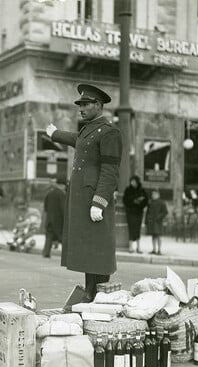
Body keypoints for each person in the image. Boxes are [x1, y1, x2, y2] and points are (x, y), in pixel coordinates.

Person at [46, 83, 122, 301]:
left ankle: (99, 298)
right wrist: (55, 134)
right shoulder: (89, 129)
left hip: (94, 201)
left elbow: (110, 171)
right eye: (80, 104)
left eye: (85, 104)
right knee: (89, 254)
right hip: (84, 201)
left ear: (98, 105)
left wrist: (99, 202)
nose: (81, 108)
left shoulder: (110, 133)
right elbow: (77, 140)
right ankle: (91, 295)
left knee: (98, 253)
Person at [122, 175, 148, 253]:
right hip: (130, 211)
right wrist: (134, 200)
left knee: (138, 229)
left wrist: (140, 203)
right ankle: (131, 247)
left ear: (137, 182)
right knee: (131, 228)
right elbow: (125, 200)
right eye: (131, 181)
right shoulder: (128, 190)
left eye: (134, 181)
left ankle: (138, 247)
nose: (132, 183)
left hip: (139, 212)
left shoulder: (142, 190)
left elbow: (145, 200)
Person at [42, 179, 66, 258]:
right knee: (62, 236)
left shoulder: (49, 193)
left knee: (49, 235)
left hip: (49, 218)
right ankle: (65, 255)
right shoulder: (62, 194)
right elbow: (63, 208)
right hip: (58, 220)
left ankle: (46, 252)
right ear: (62, 185)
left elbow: (45, 207)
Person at [145, 189, 168, 255]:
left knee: (158, 236)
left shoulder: (162, 202)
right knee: (153, 236)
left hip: (158, 222)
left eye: (154, 194)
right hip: (151, 222)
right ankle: (154, 249)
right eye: (152, 194)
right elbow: (148, 212)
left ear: (158, 195)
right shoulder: (150, 202)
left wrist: (159, 217)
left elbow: (165, 212)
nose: (153, 195)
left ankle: (159, 250)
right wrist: (146, 220)